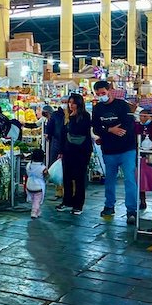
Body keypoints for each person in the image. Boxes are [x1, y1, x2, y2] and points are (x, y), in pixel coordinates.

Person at [92, 80, 139, 224]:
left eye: (103, 93)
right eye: (98, 94)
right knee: (110, 180)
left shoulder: (122, 105)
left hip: (127, 149)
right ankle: (109, 206)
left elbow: (127, 127)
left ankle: (131, 210)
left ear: (110, 90)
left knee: (130, 179)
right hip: (109, 150)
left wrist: (105, 130)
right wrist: (111, 129)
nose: (101, 96)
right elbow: (96, 129)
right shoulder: (97, 108)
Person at [57, 93, 93, 216]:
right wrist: (61, 151)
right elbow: (62, 134)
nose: (70, 105)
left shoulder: (85, 116)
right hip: (67, 151)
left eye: (73, 102)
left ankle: (78, 204)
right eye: (69, 102)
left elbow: (79, 130)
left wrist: (72, 119)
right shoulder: (66, 116)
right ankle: (67, 201)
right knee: (66, 177)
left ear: (79, 103)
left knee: (79, 179)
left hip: (81, 152)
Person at [26, 149, 48, 219]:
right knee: (37, 200)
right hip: (38, 186)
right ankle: (34, 212)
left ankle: (37, 211)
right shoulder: (43, 168)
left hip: (29, 184)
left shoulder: (29, 165)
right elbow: (47, 176)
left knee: (33, 200)